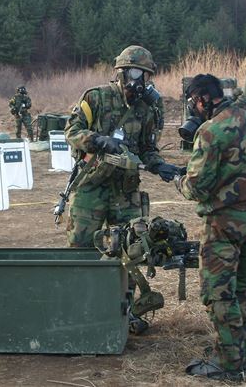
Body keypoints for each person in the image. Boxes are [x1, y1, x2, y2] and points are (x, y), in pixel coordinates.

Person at [64, 45, 179, 332]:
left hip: (126, 191)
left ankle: (124, 312)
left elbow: (147, 150)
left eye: (145, 75)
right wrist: (98, 141)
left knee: (130, 251)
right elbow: (72, 132)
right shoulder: (96, 97)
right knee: (82, 249)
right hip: (91, 186)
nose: (139, 80)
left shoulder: (148, 108)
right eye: (135, 73)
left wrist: (160, 166)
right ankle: (79, 310)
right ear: (121, 72)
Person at [175, 74, 246, 381]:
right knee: (241, 288)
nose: (194, 108)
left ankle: (229, 365)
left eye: (193, 102)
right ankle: (240, 352)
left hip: (223, 224)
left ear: (203, 98)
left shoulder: (210, 130)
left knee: (218, 293)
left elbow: (198, 187)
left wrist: (179, 181)